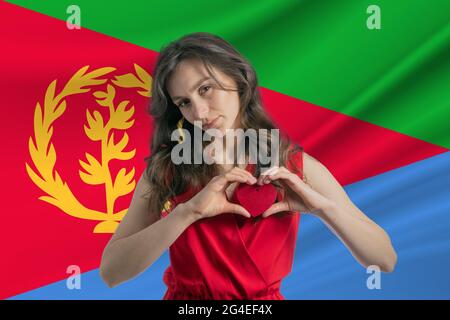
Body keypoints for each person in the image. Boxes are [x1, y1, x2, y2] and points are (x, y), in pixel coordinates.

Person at [99, 32, 397, 299]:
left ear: (238, 78)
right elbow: (112, 273)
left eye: (205, 89)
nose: (199, 112)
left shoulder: (293, 165)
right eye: (184, 102)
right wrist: (187, 212)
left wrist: (324, 210)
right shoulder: (169, 168)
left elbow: (384, 259)